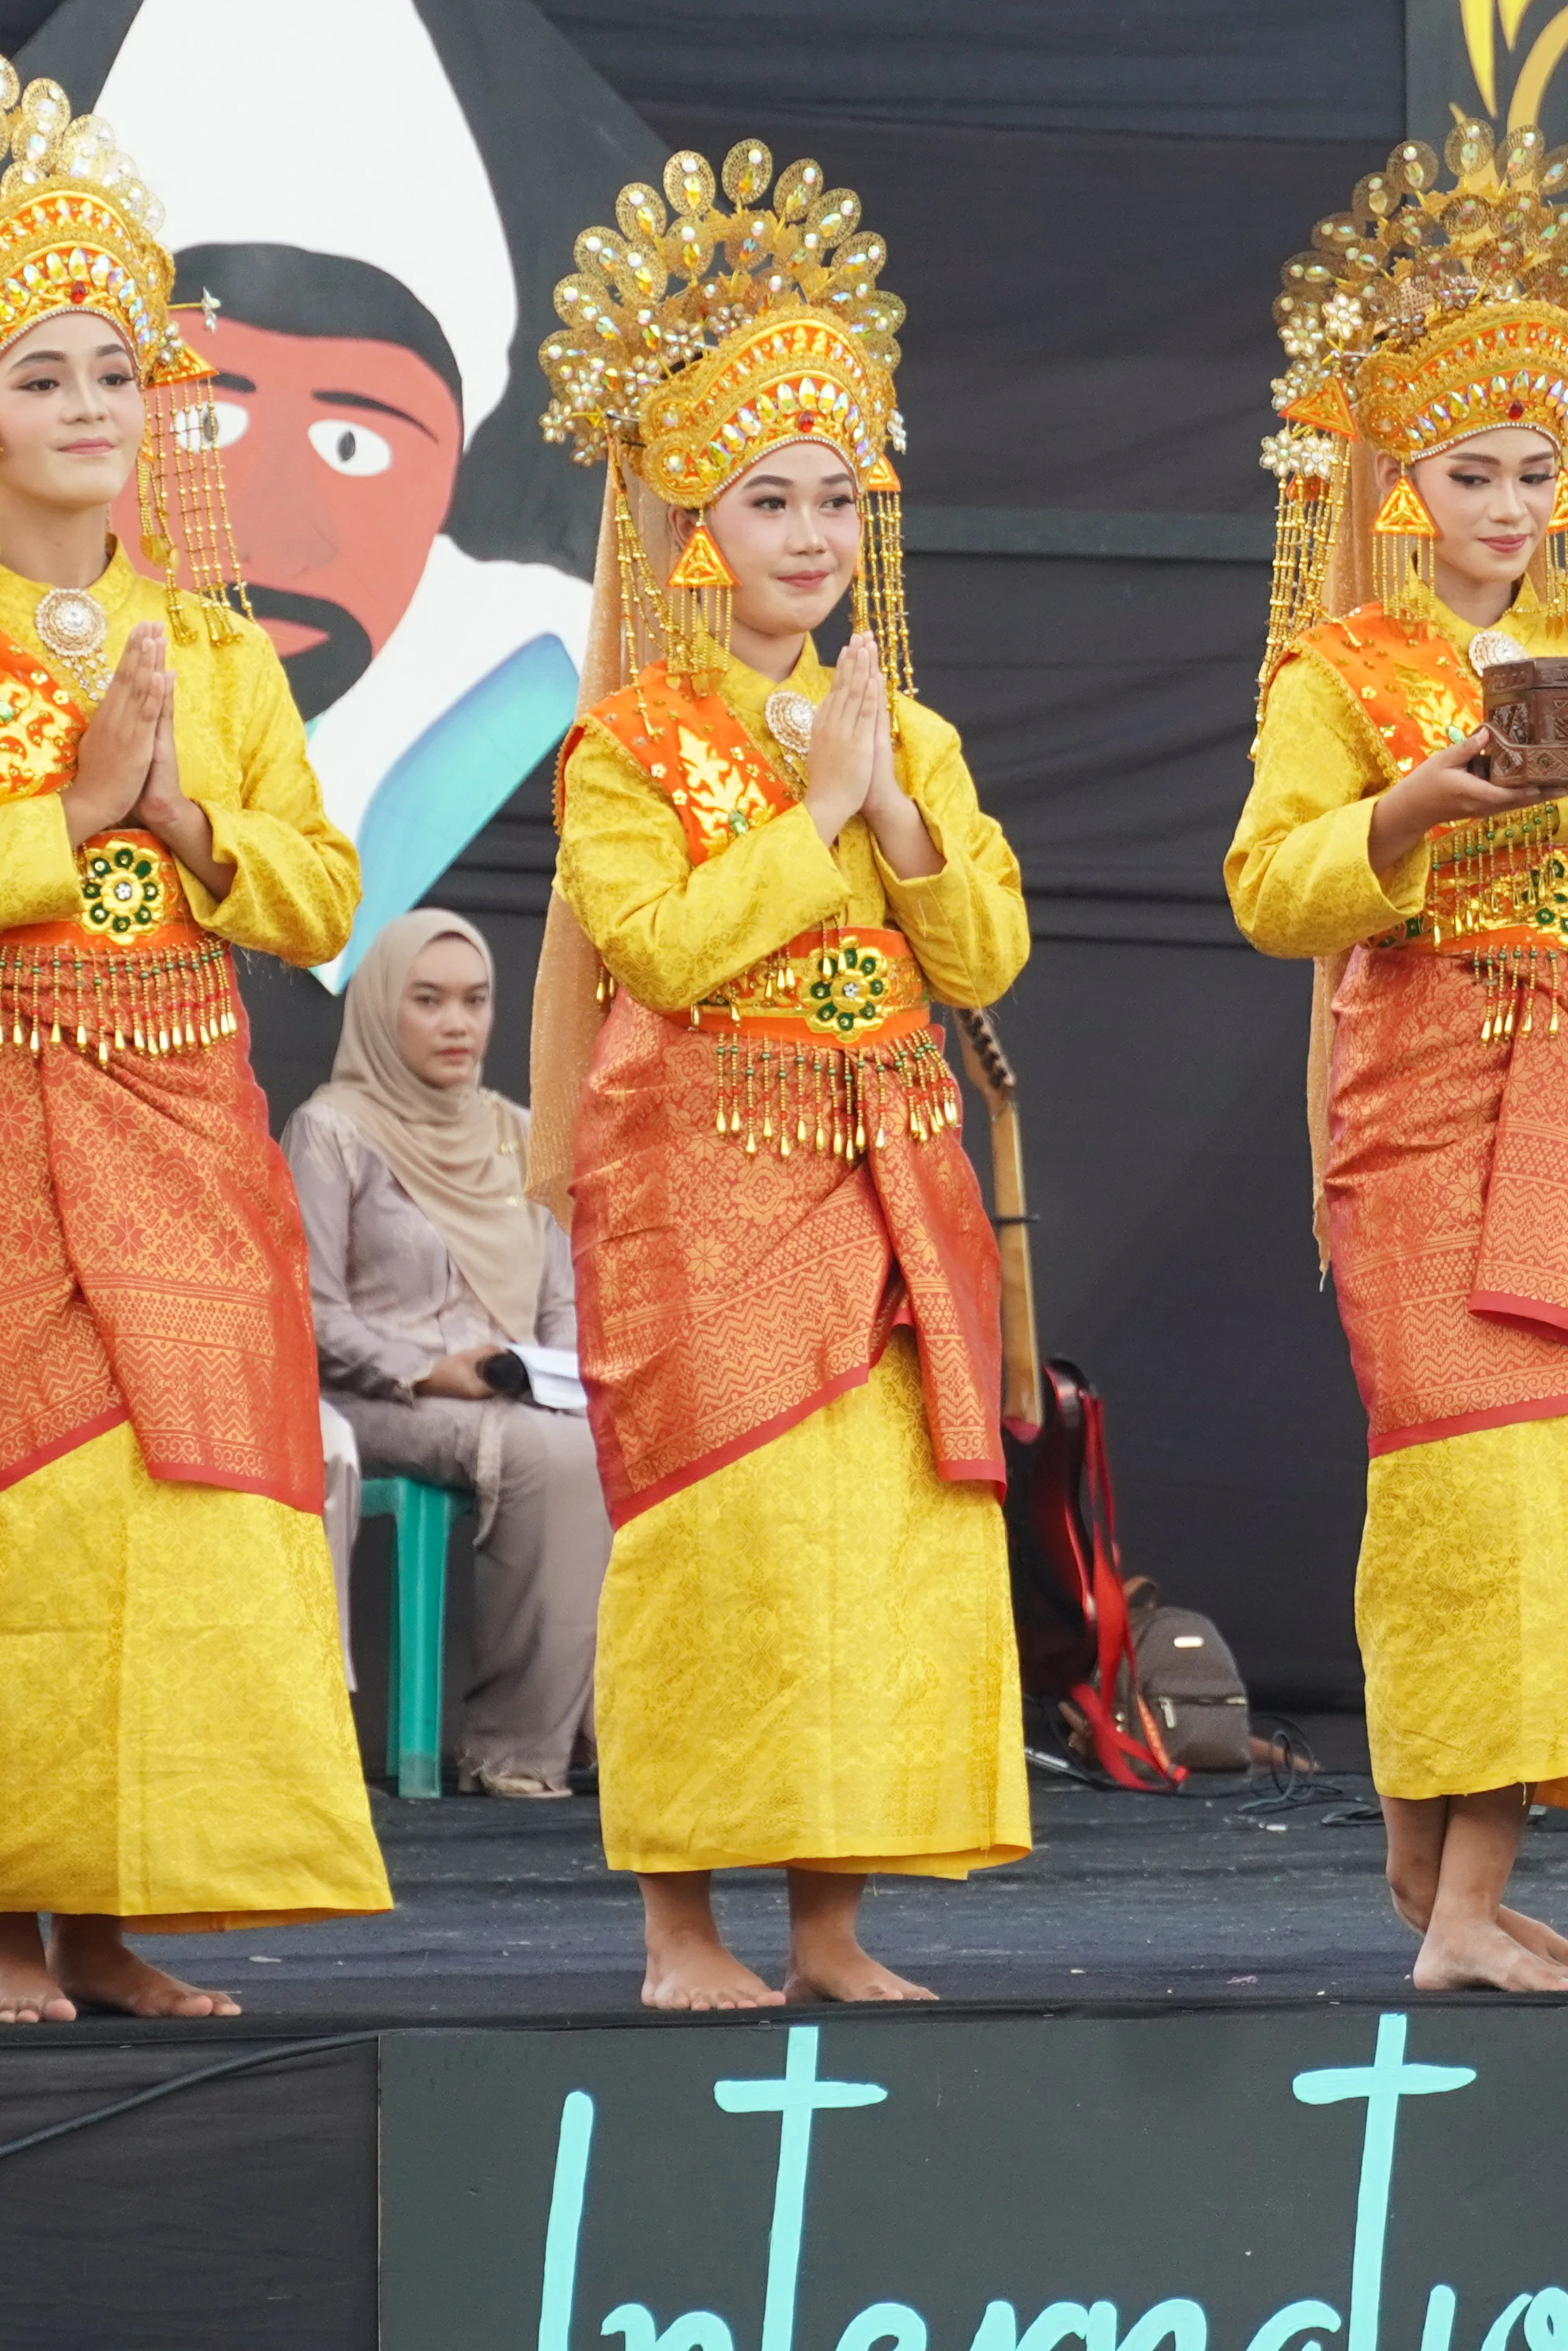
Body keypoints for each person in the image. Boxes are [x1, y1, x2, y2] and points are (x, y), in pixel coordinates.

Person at [0, 48, 385, 2023]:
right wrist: (63, 818)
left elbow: (322, 894)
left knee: (188, 1503)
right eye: (40, 375)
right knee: (31, 1512)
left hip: (184, 1113)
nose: (82, 410)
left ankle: (118, 1912)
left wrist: (183, 816)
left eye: (113, 374)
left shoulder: (221, 649)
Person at [1226, 114, 1568, 1995]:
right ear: (1398, 473)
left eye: (1538, 469)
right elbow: (1272, 889)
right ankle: (1451, 1886)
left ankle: (1459, 1873)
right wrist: (1410, 805)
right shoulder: (1340, 671)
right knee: (1476, 1480)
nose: (1509, 505)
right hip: (1430, 1106)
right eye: (1473, 469)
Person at [527, 138, 1032, 2009]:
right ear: (691, 530)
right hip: (701, 1181)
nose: (810, 535)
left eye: (836, 497)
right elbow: (655, 948)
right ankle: (680, 1929)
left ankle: (832, 1923)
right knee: (721, 1534)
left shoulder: (915, 730)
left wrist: (891, 804)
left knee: (870, 1542)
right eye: (769, 499)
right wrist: (816, 805)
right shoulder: (625, 742)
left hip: (890, 1174)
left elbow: (983, 955)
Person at [289, 906, 605, 1797]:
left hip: (513, 1391)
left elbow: (560, 1298)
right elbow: (308, 1311)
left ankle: (608, 1739)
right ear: (384, 1009)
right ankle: (511, 1749)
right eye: (428, 1000)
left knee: (613, 1439)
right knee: (551, 1452)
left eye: (476, 1000)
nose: (458, 1023)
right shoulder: (332, 1131)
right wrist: (429, 1370)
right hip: (374, 1398)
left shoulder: (520, 1133)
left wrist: (554, 1376)